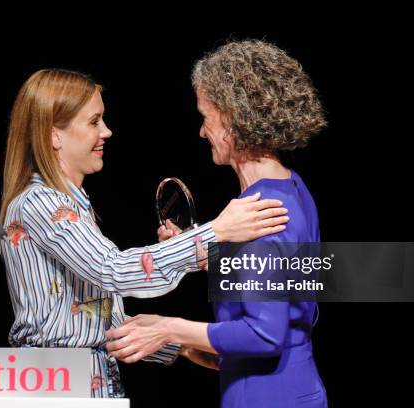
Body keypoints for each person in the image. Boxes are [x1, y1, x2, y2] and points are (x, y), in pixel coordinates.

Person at [0, 68, 290, 398]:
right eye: (94, 121)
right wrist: (216, 231)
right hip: (59, 387)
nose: (107, 131)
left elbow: (92, 314)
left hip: (87, 381)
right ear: (54, 135)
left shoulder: (70, 206)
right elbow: (114, 270)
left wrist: (179, 346)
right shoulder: (41, 203)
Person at [106, 40, 328, 407]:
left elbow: (264, 334)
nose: (201, 131)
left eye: (205, 117)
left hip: (264, 396)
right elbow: (291, 292)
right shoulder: (293, 188)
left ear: (231, 118)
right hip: (295, 386)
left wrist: (168, 329)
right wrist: (215, 256)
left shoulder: (259, 213)